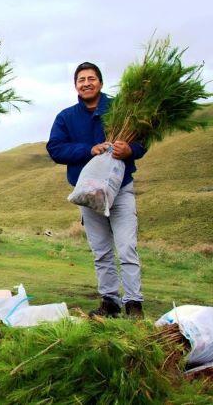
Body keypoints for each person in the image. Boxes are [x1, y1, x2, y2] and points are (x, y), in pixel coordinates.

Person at [47, 62, 146, 319]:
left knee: (127, 247)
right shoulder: (66, 117)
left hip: (120, 191)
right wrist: (88, 149)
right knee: (101, 251)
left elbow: (142, 142)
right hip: (88, 195)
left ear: (100, 82)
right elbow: (55, 149)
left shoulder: (120, 109)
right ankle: (110, 302)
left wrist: (130, 150)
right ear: (75, 86)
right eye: (81, 79)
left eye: (91, 78)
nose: (86, 83)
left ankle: (134, 304)